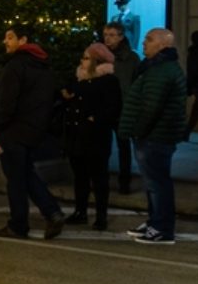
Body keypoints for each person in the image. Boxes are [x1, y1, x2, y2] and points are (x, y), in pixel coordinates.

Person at [0, 25, 65, 240]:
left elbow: (6, 103)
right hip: (34, 130)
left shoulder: (15, 66)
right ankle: (52, 212)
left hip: (13, 130)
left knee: (16, 180)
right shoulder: (44, 67)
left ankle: (18, 224)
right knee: (25, 174)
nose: (5, 42)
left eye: (10, 37)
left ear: (23, 40)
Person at [117, 28, 187, 245]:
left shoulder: (161, 71)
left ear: (163, 45)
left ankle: (162, 228)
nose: (144, 42)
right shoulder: (158, 68)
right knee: (154, 183)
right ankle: (155, 222)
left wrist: (138, 130)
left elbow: (151, 107)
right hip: (156, 134)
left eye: (149, 39)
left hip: (155, 136)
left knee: (157, 183)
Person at [61, 43, 123, 230]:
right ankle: (80, 211)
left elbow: (113, 107)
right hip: (76, 134)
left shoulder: (108, 81)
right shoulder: (79, 79)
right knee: (80, 175)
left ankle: (101, 216)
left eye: (87, 58)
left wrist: (95, 118)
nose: (82, 61)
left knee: (99, 177)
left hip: (95, 136)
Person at [103, 22, 140, 192]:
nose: (108, 38)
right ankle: (101, 180)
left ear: (121, 36)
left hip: (122, 107)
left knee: (123, 146)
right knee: (102, 147)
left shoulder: (131, 58)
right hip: (104, 107)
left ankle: (125, 181)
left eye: (112, 35)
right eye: (106, 35)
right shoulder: (100, 55)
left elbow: (136, 83)